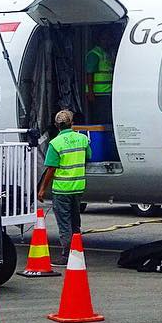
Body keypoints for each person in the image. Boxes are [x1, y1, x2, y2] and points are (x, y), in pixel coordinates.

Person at [37, 110, 91, 258]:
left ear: (56, 125)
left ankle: (68, 255)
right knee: (75, 222)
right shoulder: (83, 139)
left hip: (62, 190)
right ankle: (77, 251)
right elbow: (89, 156)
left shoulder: (55, 144)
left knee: (64, 224)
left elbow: (51, 169)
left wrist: (42, 189)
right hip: (78, 187)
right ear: (71, 123)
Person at [84, 27, 115, 124]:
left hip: (106, 92)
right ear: (100, 40)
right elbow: (89, 74)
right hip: (98, 94)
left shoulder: (105, 54)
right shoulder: (94, 54)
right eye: (105, 39)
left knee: (106, 117)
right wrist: (90, 92)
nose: (108, 42)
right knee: (101, 118)